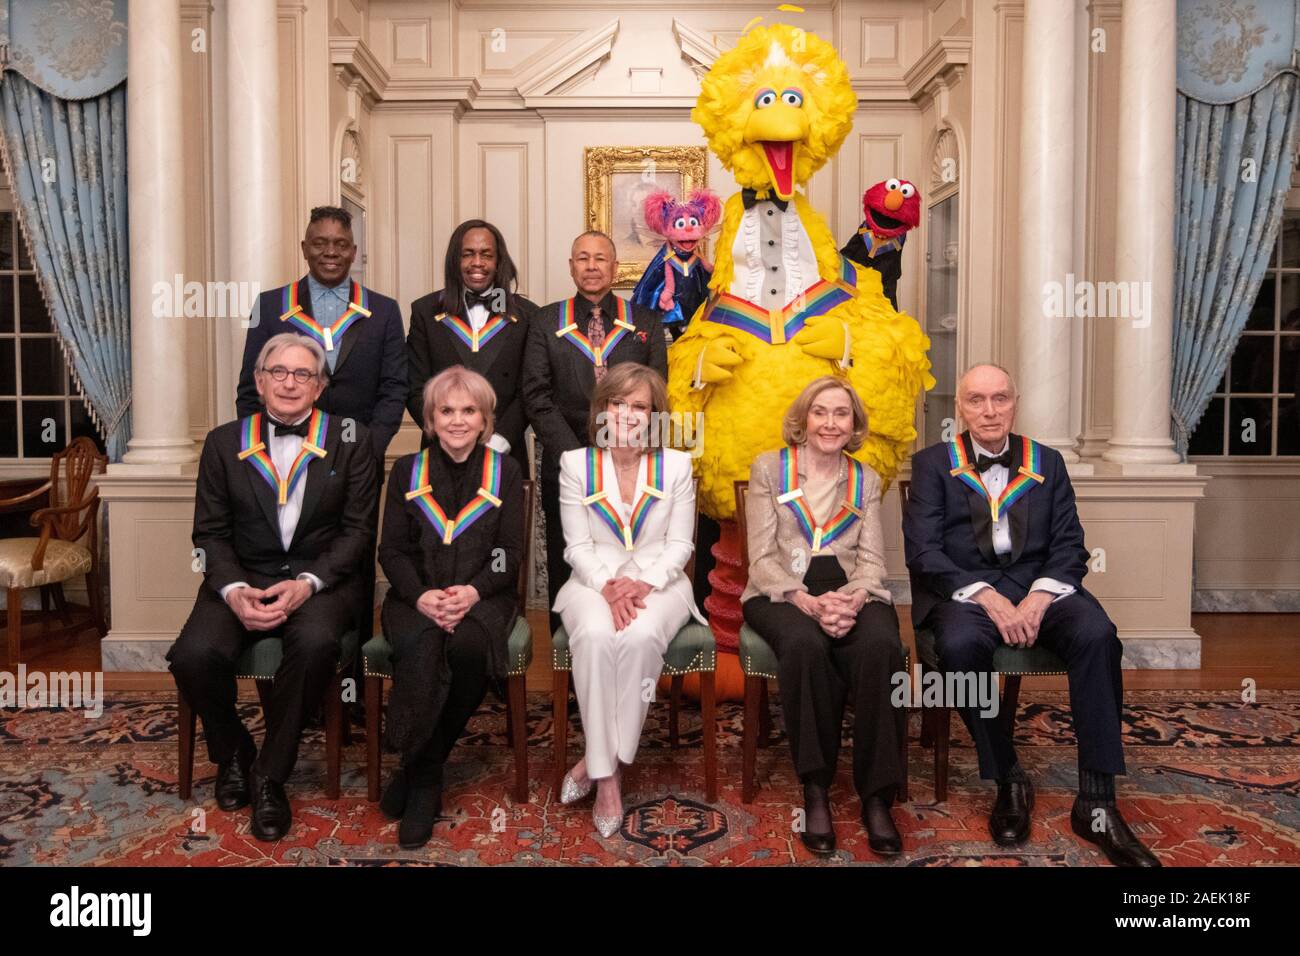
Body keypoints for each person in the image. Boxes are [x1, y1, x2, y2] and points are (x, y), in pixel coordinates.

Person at [902, 363, 1160, 867]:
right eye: (977, 400)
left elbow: (1070, 545)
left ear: (1015, 402)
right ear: (960, 407)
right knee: (957, 648)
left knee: (1097, 634)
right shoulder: (934, 464)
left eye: (1000, 398)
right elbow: (924, 552)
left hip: (1040, 589)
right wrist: (990, 599)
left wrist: (1039, 599)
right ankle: (1008, 776)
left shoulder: (1048, 462)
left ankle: (1097, 800)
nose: (990, 410)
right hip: (968, 595)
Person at [168, 333, 378, 841]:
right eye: (278, 372)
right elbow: (209, 535)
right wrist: (235, 590)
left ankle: (269, 775)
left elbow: (358, 532)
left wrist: (308, 584)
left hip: (320, 581)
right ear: (259, 382)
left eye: (303, 374)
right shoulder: (224, 443)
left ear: (320, 385)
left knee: (316, 645)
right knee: (192, 655)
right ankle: (234, 752)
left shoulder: (353, 439)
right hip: (243, 575)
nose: (290, 383)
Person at [741, 376, 905, 857]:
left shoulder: (866, 478)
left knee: (881, 649)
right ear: (803, 418)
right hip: (781, 591)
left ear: (853, 424)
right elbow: (761, 557)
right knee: (805, 645)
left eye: (841, 413)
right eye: (821, 411)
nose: (830, 422)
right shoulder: (770, 469)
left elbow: (874, 561)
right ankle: (816, 789)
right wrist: (807, 602)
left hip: (852, 589)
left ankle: (877, 797)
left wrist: (851, 600)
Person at [376, 366, 524, 849]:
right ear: (430, 419)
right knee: (420, 641)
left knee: (466, 650)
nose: (457, 421)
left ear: (485, 421)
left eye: (469, 411)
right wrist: (421, 595)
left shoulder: (506, 471)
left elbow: (509, 554)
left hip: (485, 596)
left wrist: (473, 592)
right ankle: (426, 776)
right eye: (446, 411)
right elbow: (392, 550)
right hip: (414, 597)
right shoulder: (406, 470)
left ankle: (422, 768)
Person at [553, 363, 702, 837]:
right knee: (596, 635)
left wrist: (643, 583)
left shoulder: (677, 465)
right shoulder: (575, 464)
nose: (627, 414)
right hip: (591, 580)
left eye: (639, 406)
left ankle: (597, 764)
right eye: (617, 403)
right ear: (601, 409)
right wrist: (609, 584)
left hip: (662, 582)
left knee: (637, 636)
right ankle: (608, 776)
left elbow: (681, 545)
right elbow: (576, 547)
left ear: (656, 415)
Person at [522, 230, 668, 636]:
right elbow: (536, 395)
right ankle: (566, 661)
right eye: (582, 258)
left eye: (600, 259)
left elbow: (655, 395)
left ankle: (630, 646)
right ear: (571, 267)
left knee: (629, 558)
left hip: (631, 468)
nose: (591, 266)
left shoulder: (645, 321)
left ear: (614, 267)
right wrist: (578, 458)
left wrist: (618, 453)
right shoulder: (545, 320)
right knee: (567, 559)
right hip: (565, 462)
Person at [237, 205, 407, 472]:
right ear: (305, 248)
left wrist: (370, 448)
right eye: (320, 243)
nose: (330, 252)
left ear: (353, 252)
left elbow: (395, 389)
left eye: (341, 244)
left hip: (359, 460)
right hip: (284, 460)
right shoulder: (269, 306)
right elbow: (250, 388)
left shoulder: (384, 310)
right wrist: (266, 453)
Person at [405, 220, 537, 472]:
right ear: (455, 260)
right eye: (468, 254)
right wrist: (448, 433)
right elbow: (414, 387)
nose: (477, 262)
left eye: (486, 255)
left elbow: (529, 390)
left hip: (504, 453)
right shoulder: (425, 312)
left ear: (499, 261)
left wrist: (500, 439)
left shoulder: (528, 316)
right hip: (440, 452)